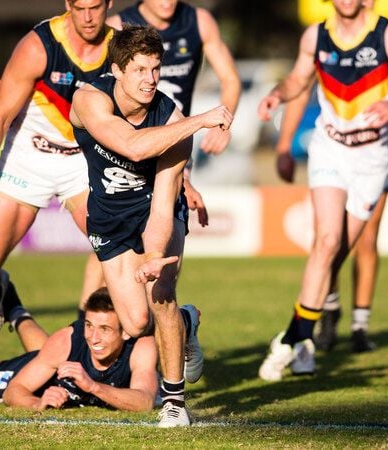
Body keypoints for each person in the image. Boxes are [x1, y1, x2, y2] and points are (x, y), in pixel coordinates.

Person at [256, 0, 388, 381]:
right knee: (326, 241)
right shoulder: (316, 35)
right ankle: (295, 338)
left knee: (336, 254)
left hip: (373, 158)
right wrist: (278, 94)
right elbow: (298, 80)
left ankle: (297, 337)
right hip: (330, 148)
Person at [69, 25, 232, 426]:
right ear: (117, 71)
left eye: (156, 69)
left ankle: (174, 403)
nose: (150, 80)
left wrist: (156, 258)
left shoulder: (172, 120)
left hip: (153, 211)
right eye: (140, 70)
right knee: (136, 322)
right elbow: (132, 145)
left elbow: (162, 207)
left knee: (162, 295)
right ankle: (188, 321)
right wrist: (202, 120)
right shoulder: (89, 100)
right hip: (108, 217)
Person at [0, 0, 116, 341]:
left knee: (121, 257)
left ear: (109, 4)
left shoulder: (119, 49)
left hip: (81, 166)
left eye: (95, 7)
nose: (87, 17)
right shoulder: (39, 45)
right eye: (79, 7)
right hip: (26, 160)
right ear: (67, 5)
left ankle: (121, 348)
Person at [69, 0, 241, 315]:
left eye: (155, 68)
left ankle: (170, 322)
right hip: (123, 147)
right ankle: (89, 324)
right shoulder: (119, 25)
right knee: (105, 251)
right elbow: (116, 119)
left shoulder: (199, 21)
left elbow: (230, 79)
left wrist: (221, 125)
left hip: (174, 141)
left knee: (162, 281)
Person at [275, 80, 388, 354]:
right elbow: (300, 86)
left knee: (366, 241)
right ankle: (328, 310)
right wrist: (284, 147)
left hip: (377, 156)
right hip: (334, 154)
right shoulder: (324, 40)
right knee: (328, 240)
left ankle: (359, 325)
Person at [0, 278, 158, 411]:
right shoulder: (69, 340)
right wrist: (37, 403)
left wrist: (92, 386)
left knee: (47, 352)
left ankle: (12, 302)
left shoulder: (141, 347)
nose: (93, 337)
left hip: (52, 361)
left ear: (126, 332)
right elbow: (14, 390)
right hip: (41, 374)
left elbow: (144, 401)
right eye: (89, 325)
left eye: (105, 329)